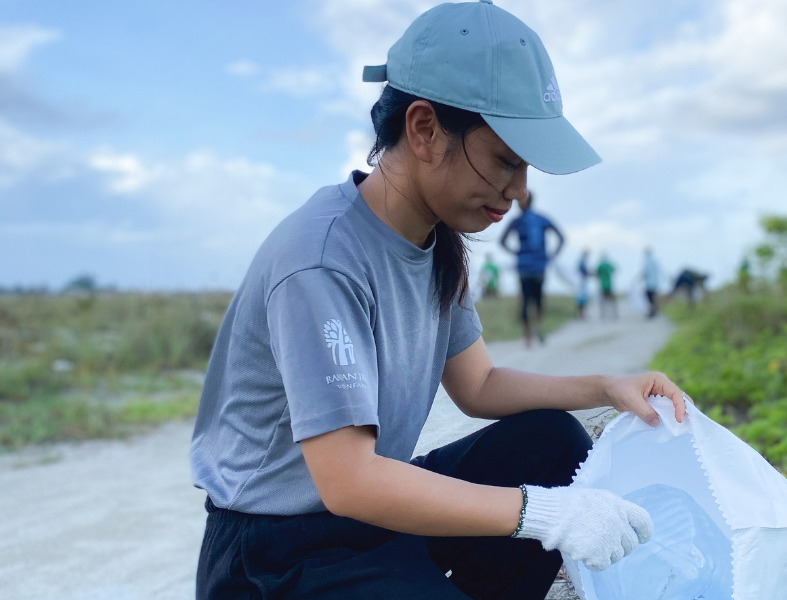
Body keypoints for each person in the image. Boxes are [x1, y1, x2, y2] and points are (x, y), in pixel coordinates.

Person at [189, 3, 689, 599]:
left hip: (367, 515)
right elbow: (347, 481)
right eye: (505, 161)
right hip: (279, 550)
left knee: (552, 443)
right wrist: (543, 514)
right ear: (424, 129)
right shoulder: (321, 259)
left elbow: (478, 387)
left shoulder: (435, 244)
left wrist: (606, 386)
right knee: (535, 497)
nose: (518, 192)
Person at [499, 190, 564, 347]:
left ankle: (532, 332)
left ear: (526, 202)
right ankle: (531, 332)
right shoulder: (540, 219)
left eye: (520, 200)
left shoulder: (518, 221)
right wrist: (550, 255)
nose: (517, 203)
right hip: (534, 266)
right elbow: (560, 238)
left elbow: (503, 241)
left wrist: (516, 252)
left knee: (532, 300)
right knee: (531, 300)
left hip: (528, 266)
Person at [596, 253, 617, 320]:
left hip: (602, 284)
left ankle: (603, 314)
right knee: (612, 300)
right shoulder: (608, 264)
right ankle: (614, 313)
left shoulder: (600, 265)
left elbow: (597, 273)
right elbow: (614, 269)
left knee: (602, 300)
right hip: (609, 284)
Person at [641, 248, 660, 318]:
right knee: (653, 298)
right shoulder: (655, 261)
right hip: (655, 282)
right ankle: (654, 311)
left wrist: (639, 279)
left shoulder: (647, 261)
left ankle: (652, 311)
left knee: (649, 297)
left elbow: (645, 272)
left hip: (649, 283)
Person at [576, 249, 591, 319]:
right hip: (581, 282)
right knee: (581, 299)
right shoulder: (582, 262)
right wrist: (591, 274)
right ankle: (580, 314)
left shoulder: (582, 261)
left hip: (582, 281)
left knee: (582, 298)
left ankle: (581, 314)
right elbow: (584, 272)